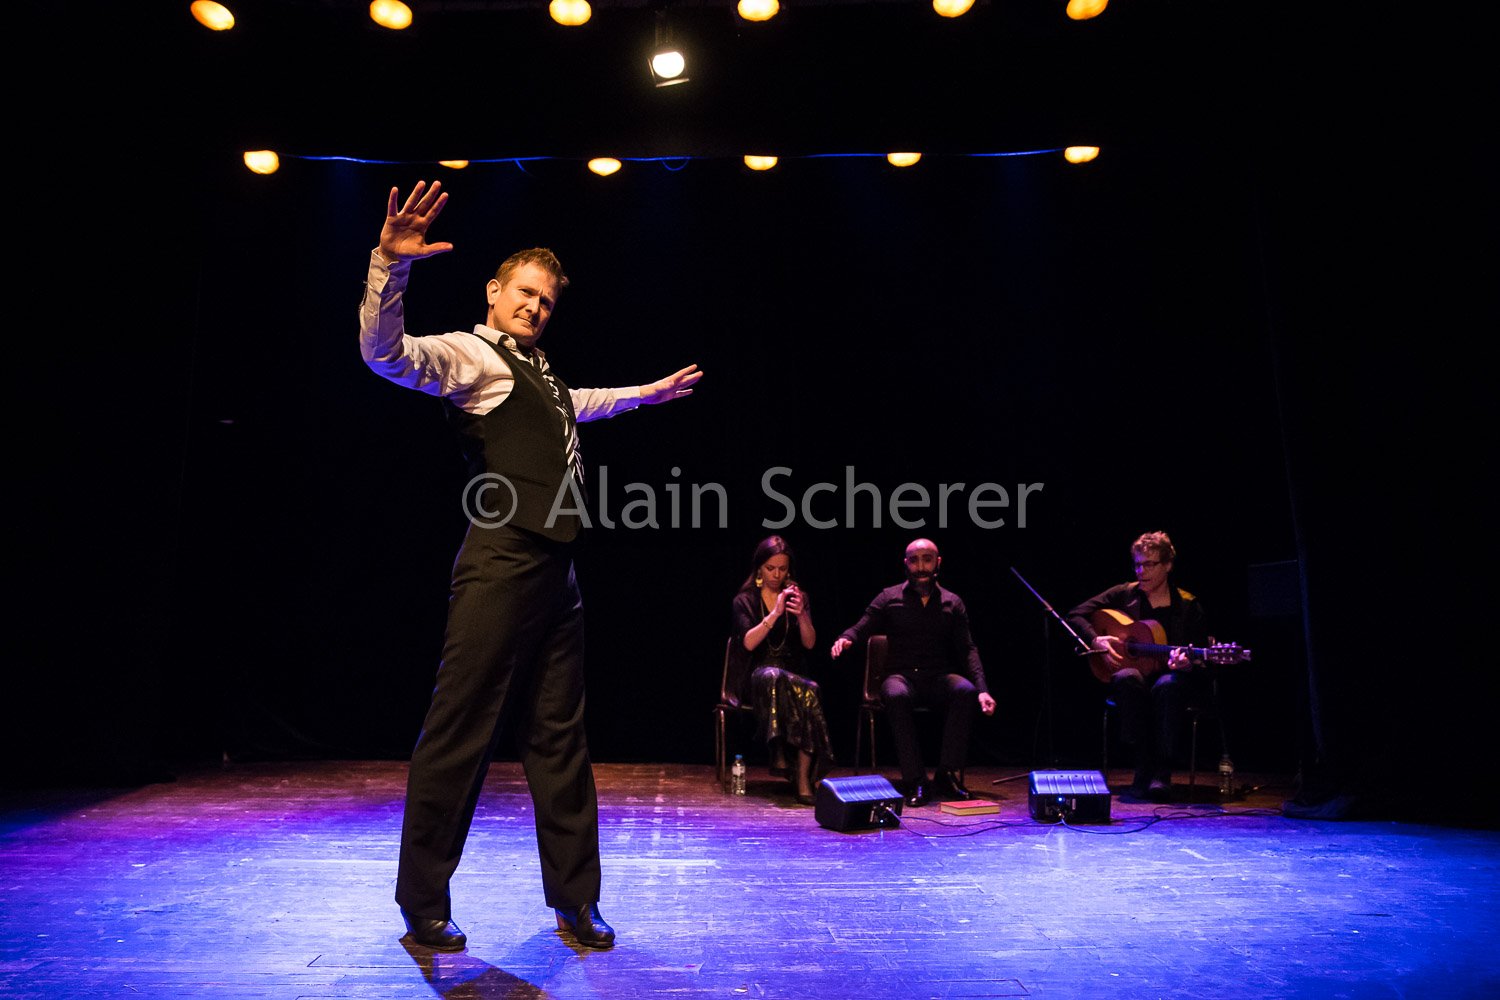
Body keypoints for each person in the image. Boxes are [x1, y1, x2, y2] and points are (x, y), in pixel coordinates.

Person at [359, 180, 704, 952]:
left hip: (556, 573)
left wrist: (645, 395)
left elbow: (578, 402)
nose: (536, 307)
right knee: (461, 730)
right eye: (525, 293)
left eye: (546, 301)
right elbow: (385, 355)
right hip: (501, 560)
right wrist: (391, 264)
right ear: (495, 291)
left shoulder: (540, 372)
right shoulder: (470, 355)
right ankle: (422, 900)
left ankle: (576, 901)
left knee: (560, 739)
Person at [830, 538, 996, 808]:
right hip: (901, 676)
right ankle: (915, 779)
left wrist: (983, 689)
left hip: (938, 677)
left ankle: (947, 775)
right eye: (914, 560)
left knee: (965, 691)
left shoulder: (952, 602)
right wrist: (846, 638)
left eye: (927, 560)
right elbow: (862, 626)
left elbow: (967, 648)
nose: (921, 567)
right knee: (895, 694)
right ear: (905, 563)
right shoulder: (889, 597)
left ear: (937, 563)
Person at [1066, 530, 1210, 802]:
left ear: (1168, 565)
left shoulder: (1188, 605)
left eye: (1149, 564)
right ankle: (1143, 766)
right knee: (1126, 677)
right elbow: (1076, 614)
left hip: (1172, 680)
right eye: (1137, 565)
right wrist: (1095, 638)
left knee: (1167, 686)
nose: (1141, 571)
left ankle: (1162, 771)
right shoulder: (1125, 594)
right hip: (1136, 681)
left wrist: (1187, 664)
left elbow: (1201, 657)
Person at [728, 536, 836, 805]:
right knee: (773, 676)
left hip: (791, 673)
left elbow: (809, 643)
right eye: (770, 568)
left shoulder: (799, 597)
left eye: (782, 569)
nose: (776, 575)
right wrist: (774, 613)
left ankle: (803, 779)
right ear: (759, 569)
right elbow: (748, 643)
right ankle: (777, 749)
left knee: (811, 690)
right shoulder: (745, 600)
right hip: (756, 675)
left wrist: (801, 614)